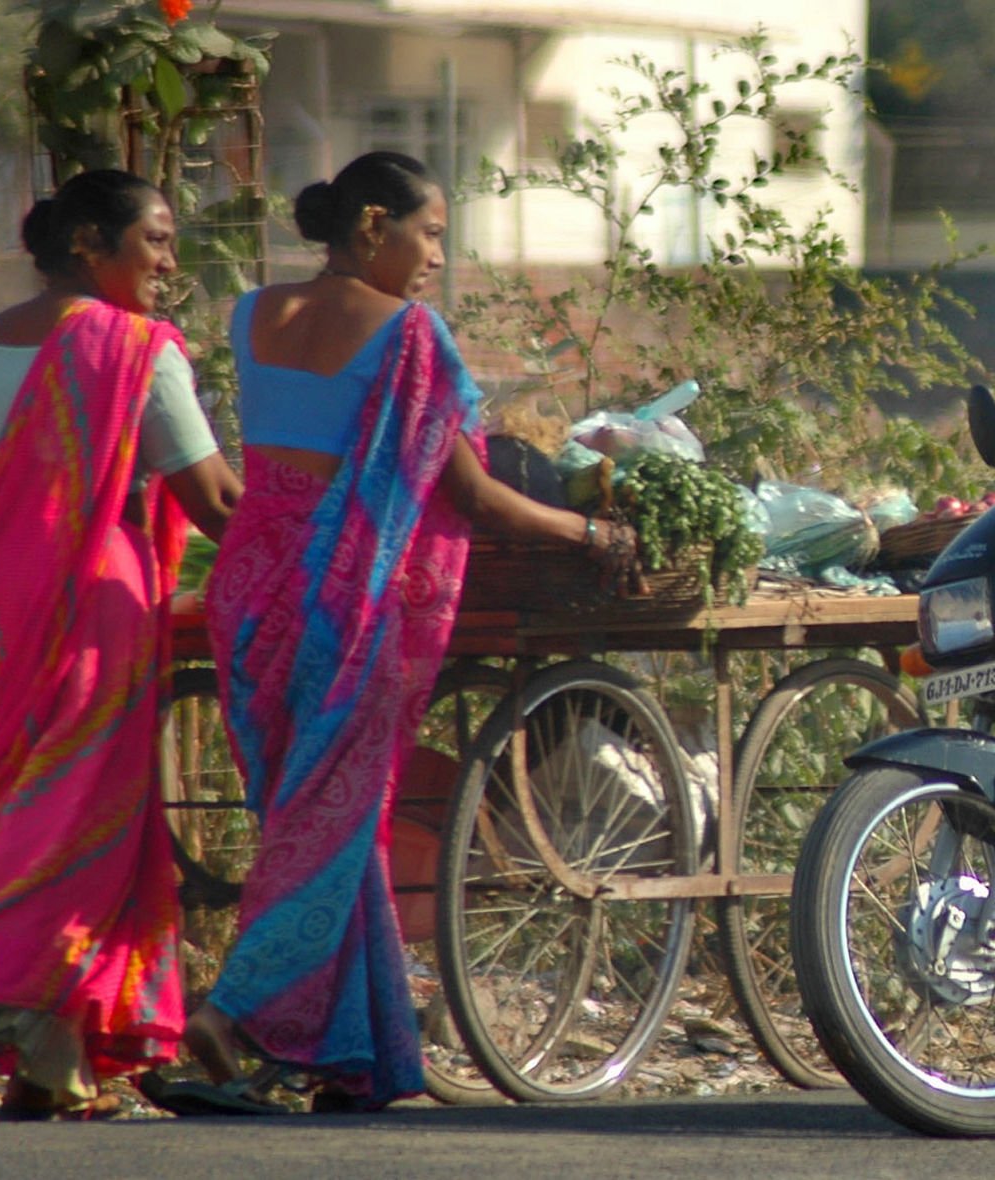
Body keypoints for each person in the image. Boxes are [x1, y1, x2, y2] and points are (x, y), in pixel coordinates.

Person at [180, 151, 644, 1114]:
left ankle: (354, 1057)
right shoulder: (411, 337)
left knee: (304, 820)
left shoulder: (251, 314)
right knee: (333, 822)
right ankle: (230, 1009)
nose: (436, 256)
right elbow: (468, 493)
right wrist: (589, 530)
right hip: (345, 603)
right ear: (373, 225)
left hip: (254, 591)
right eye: (429, 234)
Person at [0, 169, 241, 1119]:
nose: (168, 262)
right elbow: (214, 501)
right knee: (74, 827)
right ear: (89, 243)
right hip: (89, 614)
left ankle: (56, 1063)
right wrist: (317, 555)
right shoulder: (133, 350)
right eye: (154, 240)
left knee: (15, 809)